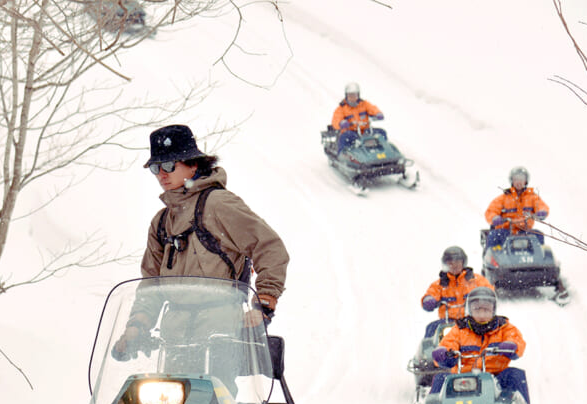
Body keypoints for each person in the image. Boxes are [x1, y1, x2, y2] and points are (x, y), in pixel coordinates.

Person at [113, 124, 289, 361]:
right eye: (156, 167)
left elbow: (269, 248)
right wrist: (137, 326)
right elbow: (151, 284)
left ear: (193, 164)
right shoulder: (162, 222)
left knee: (212, 395)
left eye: (169, 165)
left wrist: (264, 303)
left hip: (220, 331)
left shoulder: (218, 205)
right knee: (165, 397)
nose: (161, 174)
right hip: (173, 334)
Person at [429, 287, 531, 404]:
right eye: (477, 310)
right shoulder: (460, 329)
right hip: (463, 379)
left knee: (515, 374)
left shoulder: (504, 327)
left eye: (486, 310)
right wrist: (444, 354)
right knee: (441, 378)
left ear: (493, 310)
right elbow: (449, 343)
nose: (482, 315)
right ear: (470, 310)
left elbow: (516, 340)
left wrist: (511, 346)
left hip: (496, 376)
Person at [420, 246, 492, 337]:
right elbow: (432, 293)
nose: (454, 265)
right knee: (431, 328)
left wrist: (484, 298)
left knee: (490, 329)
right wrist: (429, 300)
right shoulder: (440, 284)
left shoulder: (476, 280)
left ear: (463, 262)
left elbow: (489, 292)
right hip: (448, 322)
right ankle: (429, 351)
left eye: (457, 262)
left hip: (473, 320)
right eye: (450, 263)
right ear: (445, 265)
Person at [483, 166, 550, 249]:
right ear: (512, 180)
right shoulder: (504, 198)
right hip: (506, 230)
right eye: (516, 179)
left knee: (538, 235)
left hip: (524, 230)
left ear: (526, 181)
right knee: (494, 236)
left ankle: (539, 260)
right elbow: (491, 211)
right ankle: (492, 260)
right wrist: (494, 218)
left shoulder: (532, 197)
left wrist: (542, 212)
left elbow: (541, 206)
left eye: (521, 178)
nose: (519, 182)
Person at [330, 82, 384, 151]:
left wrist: (378, 114)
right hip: (351, 131)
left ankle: (383, 152)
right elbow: (335, 120)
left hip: (365, 130)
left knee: (381, 132)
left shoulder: (364, 104)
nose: (352, 98)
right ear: (346, 96)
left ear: (358, 95)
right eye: (350, 95)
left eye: (354, 95)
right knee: (345, 137)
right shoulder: (342, 108)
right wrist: (341, 123)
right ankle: (342, 155)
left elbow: (373, 109)